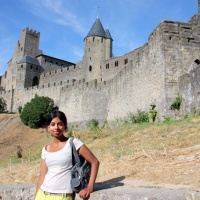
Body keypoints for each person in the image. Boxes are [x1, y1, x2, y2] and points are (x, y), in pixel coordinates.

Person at [34, 110, 100, 200]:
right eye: (53, 124)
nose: (56, 127)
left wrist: (90, 187)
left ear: (65, 126)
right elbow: (42, 177)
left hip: (62, 196)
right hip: (42, 195)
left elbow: (94, 162)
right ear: (48, 128)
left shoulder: (73, 143)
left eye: (60, 124)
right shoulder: (46, 149)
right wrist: (36, 197)